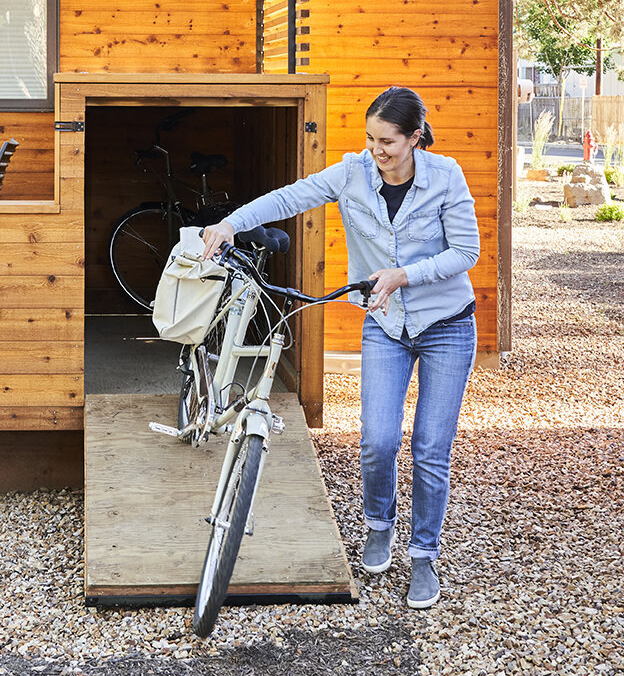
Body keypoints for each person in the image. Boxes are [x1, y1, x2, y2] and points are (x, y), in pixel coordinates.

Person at [201, 85, 480, 610]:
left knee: (429, 449)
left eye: (388, 142)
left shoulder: (446, 177)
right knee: (376, 441)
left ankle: (424, 557)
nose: (377, 151)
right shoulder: (353, 172)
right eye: (371, 139)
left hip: (447, 324)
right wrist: (232, 222)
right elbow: (291, 196)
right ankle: (380, 525)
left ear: (415, 138)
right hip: (386, 324)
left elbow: (467, 250)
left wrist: (404, 274)